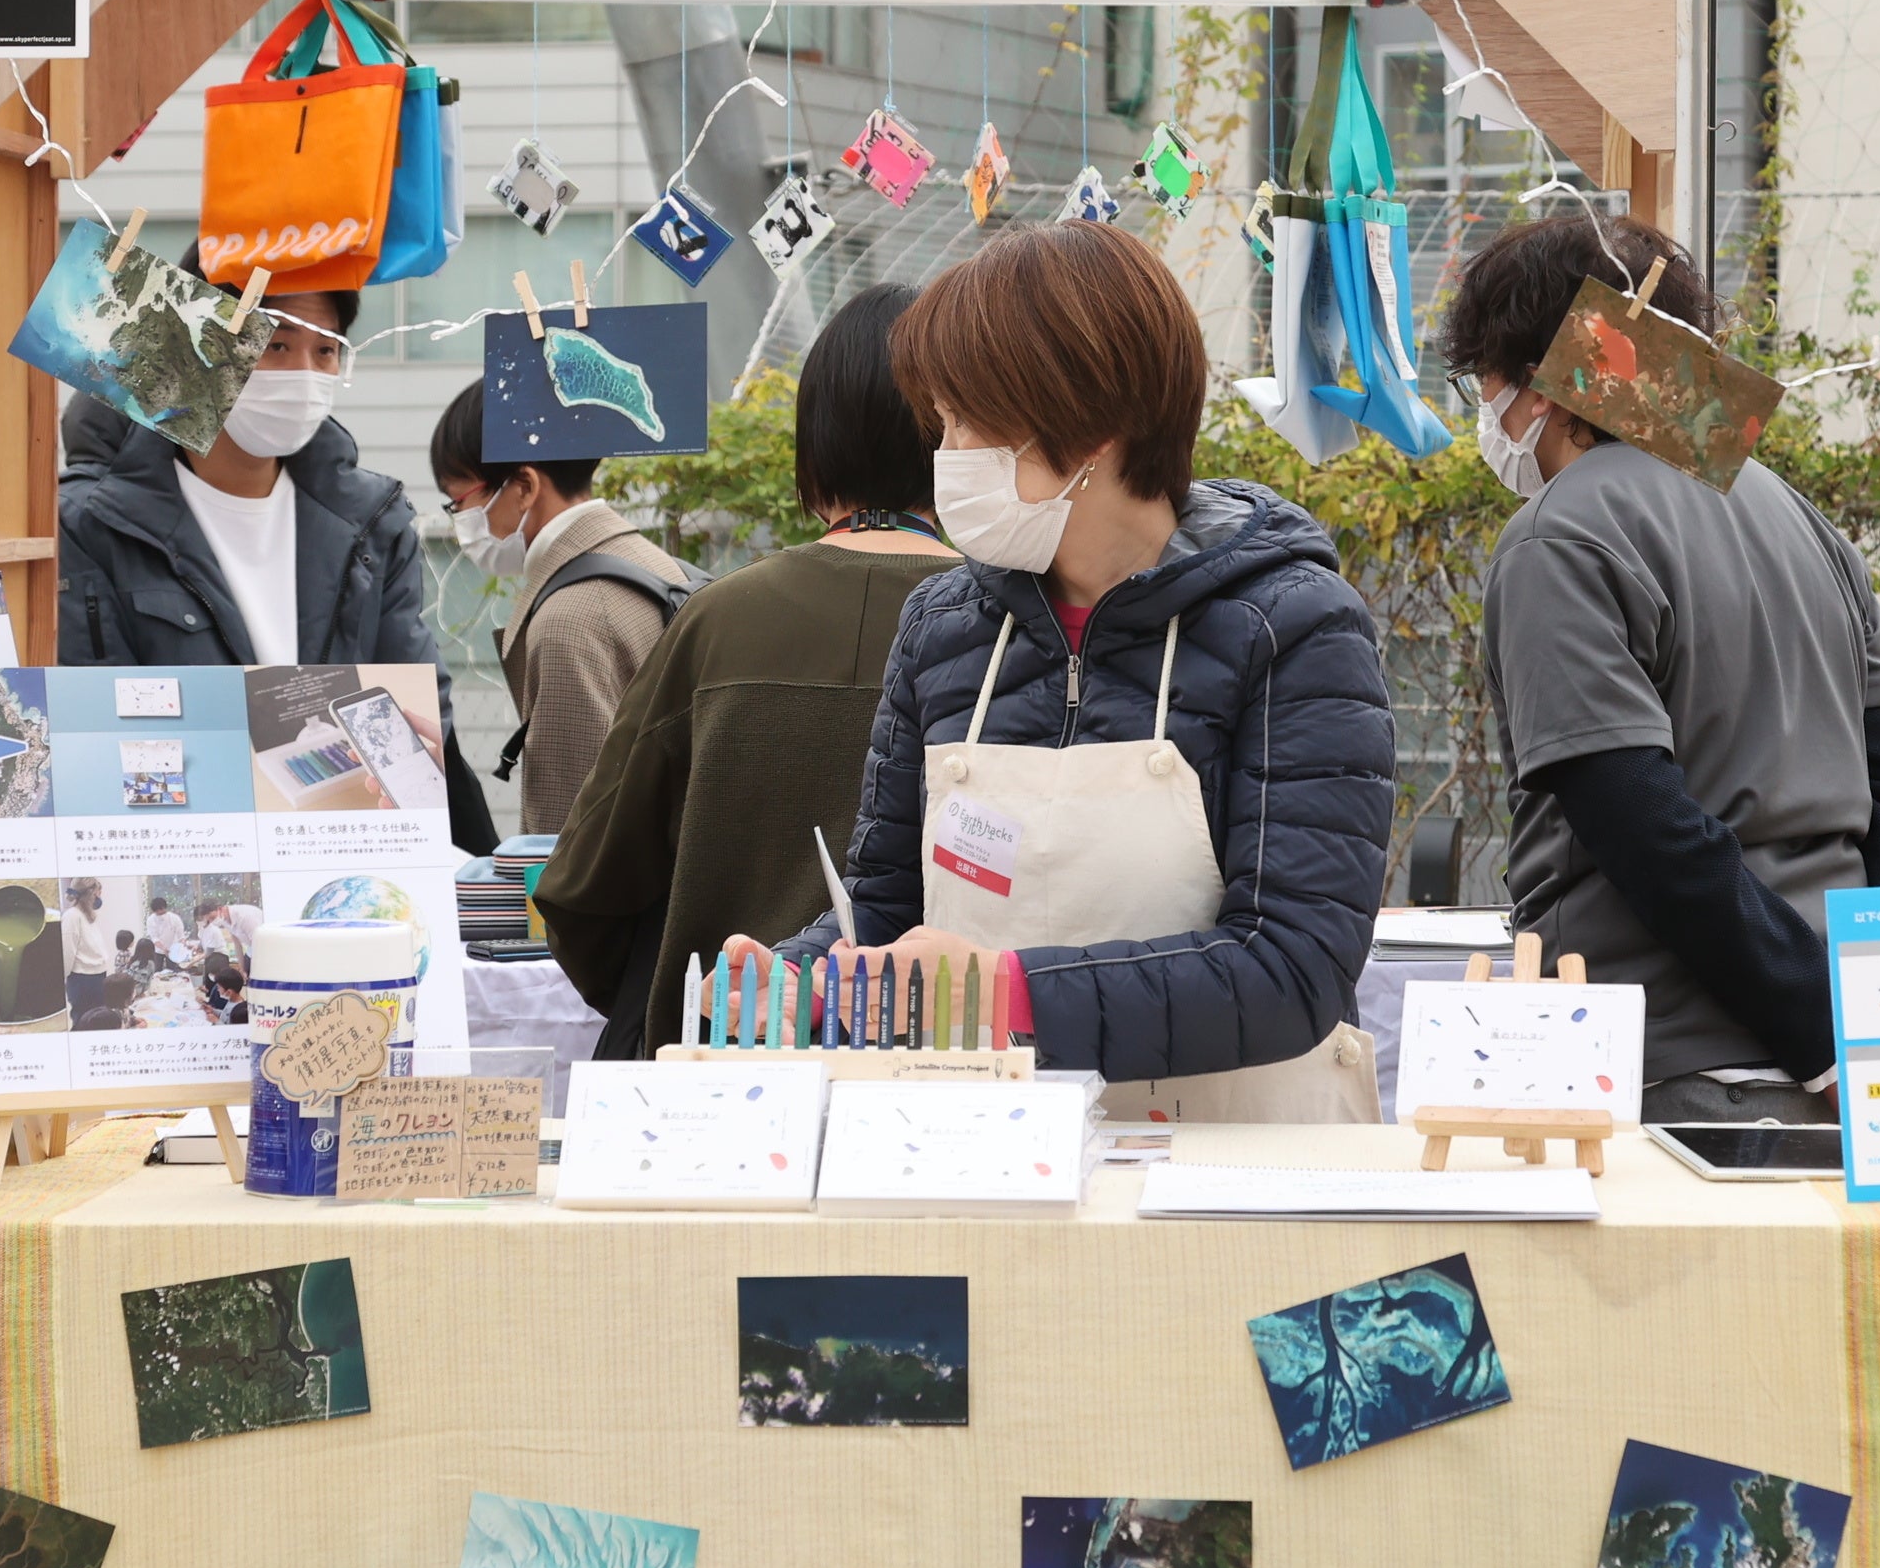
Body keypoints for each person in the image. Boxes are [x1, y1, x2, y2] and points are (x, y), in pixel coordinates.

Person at [743, 225, 1396, 1120]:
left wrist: (1002, 994)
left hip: (1228, 1179)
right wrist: (803, 975)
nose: (949, 453)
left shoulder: (1290, 626)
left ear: (1093, 428)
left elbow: (1292, 965)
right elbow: (887, 906)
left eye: (970, 419)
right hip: (985, 1152)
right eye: (943, 423)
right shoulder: (941, 629)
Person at [1433, 212, 1880, 1127]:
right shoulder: (1804, 520)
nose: (1488, 413)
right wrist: (1878, 1032)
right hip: (1849, 1071)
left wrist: (1817, 1031)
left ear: (1545, 386)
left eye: (1487, 382)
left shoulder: (1557, 540)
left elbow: (1645, 827)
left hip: (1657, 1074)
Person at [539, 286, 958, 1058]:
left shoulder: (716, 622)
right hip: (945, 1087)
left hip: (712, 1085)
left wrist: (669, 996)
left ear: (816, 442)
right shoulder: (1015, 629)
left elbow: (580, 890)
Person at [56, 277, 500, 855]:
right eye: (276, 345)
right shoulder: (94, 524)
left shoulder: (374, 517)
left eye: (326, 350)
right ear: (201, 348)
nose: (305, 374)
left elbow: (415, 706)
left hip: (352, 858)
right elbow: (98, 725)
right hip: (187, 860)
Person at [431, 391, 700, 838]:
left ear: (524, 487)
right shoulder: (654, 565)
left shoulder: (569, 618)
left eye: (460, 501)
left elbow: (572, 838)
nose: (461, 520)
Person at [61, 880, 124, 1025]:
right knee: (85, 1020)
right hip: (82, 980)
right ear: (90, 894)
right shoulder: (72, 916)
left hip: (97, 977)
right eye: (98, 893)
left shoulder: (88, 915)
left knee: (98, 1019)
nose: (100, 897)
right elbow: (67, 952)